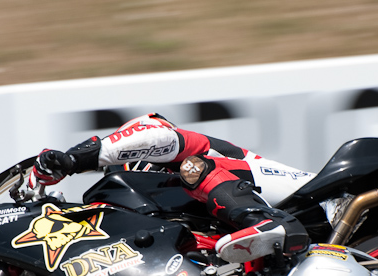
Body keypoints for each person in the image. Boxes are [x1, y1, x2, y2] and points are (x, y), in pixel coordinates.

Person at [32, 113, 314, 264]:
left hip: (300, 198)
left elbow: (157, 136)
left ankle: (266, 222)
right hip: (266, 254)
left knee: (191, 168)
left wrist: (72, 160)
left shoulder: (187, 147)